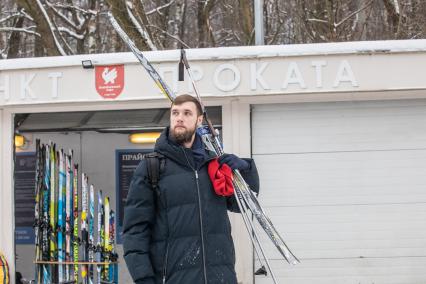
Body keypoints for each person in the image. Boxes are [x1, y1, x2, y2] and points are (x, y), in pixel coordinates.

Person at [123, 94, 259, 284]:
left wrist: (246, 170)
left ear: (199, 120)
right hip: (173, 278)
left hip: (220, 277)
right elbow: (135, 230)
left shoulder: (214, 165)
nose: (179, 118)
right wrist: (144, 278)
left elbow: (243, 205)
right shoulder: (152, 167)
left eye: (187, 113)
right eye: (175, 113)